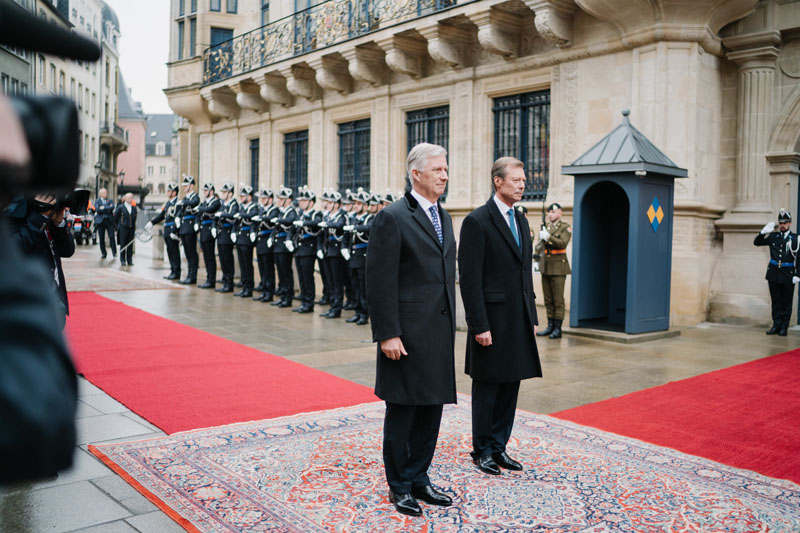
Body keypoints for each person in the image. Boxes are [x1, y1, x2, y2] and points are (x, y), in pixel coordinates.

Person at [366, 143, 457, 517]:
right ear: (415, 173)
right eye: (437, 169)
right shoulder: (393, 217)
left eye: (446, 169)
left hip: (437, 334)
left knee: (431, 409)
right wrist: (388, 333)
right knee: (403, 411)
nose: (445, 175)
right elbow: (379, 280)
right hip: (404, 335)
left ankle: (420, 477)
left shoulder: (446, 217)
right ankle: (399, 485)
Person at [458, 156, 542, 476]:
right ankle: (482, 450)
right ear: (498, 181)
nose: (522, 185)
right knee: (488, 387)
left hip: (517, 319)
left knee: (510, 385)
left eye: (523, 180)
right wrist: (478, 324)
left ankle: (499, 446)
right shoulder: (477, 221)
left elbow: (524, 275)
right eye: (516, 180)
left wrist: (532, 316)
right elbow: (470, 278)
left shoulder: (521, 219)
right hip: (490, 321)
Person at [11, 193, 76, 325]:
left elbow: (67, 250)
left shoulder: (47, 215)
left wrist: (59, 223)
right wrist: (39, 218)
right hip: (29, 305)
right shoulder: (14, 214)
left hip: (56, 299)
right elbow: (13, 250)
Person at [754, 209, 800, 336]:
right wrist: (762, 232)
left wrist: (798, 274)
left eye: (785, 222)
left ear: (790, 223)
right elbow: (756, 242)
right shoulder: (773, 236)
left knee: (786, 302)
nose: (783, 225)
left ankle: (784, 327)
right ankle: (776, 325)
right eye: (781, 223)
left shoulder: (796, 239)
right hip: (774, 273)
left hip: (788, 274)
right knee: (776, 302)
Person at [534, 202, 571, 339]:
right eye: (549, 212)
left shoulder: (565, 228)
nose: (550, 214)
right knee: (548, 299)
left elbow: (562, 244)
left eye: (553, 212)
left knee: (558, 300)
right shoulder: (546, 227)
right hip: (546, 266)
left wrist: (548, 237)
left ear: (560, 213)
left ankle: (558, 327)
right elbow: (539, 247)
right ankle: (550, 325)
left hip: (559, 267)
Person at [344, 189, 372, 325]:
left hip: (363, 257)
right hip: (353, 256)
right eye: (355, 203)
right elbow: (347, 235)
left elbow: (369, 228)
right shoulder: (353, 218)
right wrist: (345, 247)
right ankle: (357, 311)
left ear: (366, 206)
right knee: (354, 285)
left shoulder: (370, 218)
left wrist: (355, 228)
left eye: (359, 203)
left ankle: (364, 313)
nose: (356, 206)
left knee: (363, 287)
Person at [319, 190, 347, 318]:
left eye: (331, 203)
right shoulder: (328, 216)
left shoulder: (341, 216)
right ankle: (332, 306)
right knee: (330, 282)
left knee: (337, 283)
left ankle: (337, 309)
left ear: (337, 204)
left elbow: (340, 225)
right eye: (328, 202)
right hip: (328, 250)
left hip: (336, 252)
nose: (328, 205)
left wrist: (328, 224)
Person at [145, 182, 181, 280]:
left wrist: (176, 231)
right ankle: (173, 270)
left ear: (174, 192)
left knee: (174, 252)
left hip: (172, 230)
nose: (167, 192)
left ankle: (176, 272)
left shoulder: (178, 203)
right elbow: (162, 215)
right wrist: (152, 222)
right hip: (167, 229)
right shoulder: (168, 203)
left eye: (169, 191)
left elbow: (178, 218)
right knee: (169, 251)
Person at [272, 187, 299, 308]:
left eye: (281, 199)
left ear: (288, 200)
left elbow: (290, 221)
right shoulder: (282, 212)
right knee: (281, 273)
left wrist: (278, 219)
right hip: (278, 246)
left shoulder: (291, 211)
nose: (278, 201)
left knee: (286, 272)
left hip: (284, 247)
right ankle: (283, 295)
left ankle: (288, 297)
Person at [254, 188, 279, 302]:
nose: (262, 200)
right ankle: (264, 290)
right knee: (262, 269)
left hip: (267, 243)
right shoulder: (261, 210)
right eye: (261, 198)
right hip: (260, 242)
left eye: (264, 198)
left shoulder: (274, 210)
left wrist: (261, 218)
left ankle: (269, 292)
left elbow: (270, 220)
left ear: (270, 199)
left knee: (268, 269)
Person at [214, 181, 239, 293]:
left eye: (225, 192)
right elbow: (216, 217)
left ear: (230, 193)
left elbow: (233, 216)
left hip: (228, 234)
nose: (223, 194)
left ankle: (229, 284)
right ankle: (225, 281)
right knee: (222, 259)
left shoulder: (234, 204)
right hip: (221, 234)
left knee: (228, 260)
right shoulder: (223, 204)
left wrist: (222, 215)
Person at [234, 185, 258, 298]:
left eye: (243, 196)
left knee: (247, 264)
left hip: (248, 238)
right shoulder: (241, 207)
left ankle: (249, 287)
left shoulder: (254, 207)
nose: (241, 197)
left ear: (249, 196)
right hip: (240, 237)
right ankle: (244, 286)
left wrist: (241, 215)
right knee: (242, 264)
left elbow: (251, 216)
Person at [177, 175, 200, 284]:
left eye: (186, 185)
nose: (184, 187)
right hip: (184, 227)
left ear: (191, 186)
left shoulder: (194, 197)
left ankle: (193, 276)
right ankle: (189, 275)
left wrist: (183, 202)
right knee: (187, 253)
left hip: (190, 227)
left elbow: (194, 203)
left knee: (192, 253)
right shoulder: (186, 198)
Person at [197, 182, 221, 289]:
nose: (204, 192)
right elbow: (200, 213)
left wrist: (200, 209)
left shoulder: (215, 202)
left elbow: (209, 210)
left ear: (211, 191)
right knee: (206, 256)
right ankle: (208, 278)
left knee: (210, 257)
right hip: (203, 230)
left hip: (209, 230)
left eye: (206, 191)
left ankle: (212, 280)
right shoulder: (205, 202)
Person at [114, 193, 137, 267]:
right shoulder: (121, 207)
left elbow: (134, 218)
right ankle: (122, 260)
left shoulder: (134, 208)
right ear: (125, 199)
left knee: (130, 245)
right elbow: (116, 218)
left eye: (131, 198)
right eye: (129, 198)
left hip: (131, 229)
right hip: (123, 228)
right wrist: (117, 227)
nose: (131, 199)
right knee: (123, 244)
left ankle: (129, 260)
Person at [94, 187, 116, 258]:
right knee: (101, 238)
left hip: (109, 221)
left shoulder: (110, 200)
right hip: (101, 222)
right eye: (103, 193)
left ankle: (114, 252)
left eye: (106, 193)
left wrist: (103, 208)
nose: (105, 194)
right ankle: (103, 253)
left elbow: (112, 207)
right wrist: (107, 208)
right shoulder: (97, 201)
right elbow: (97, 209)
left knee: (112, 237)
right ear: (100, 194)